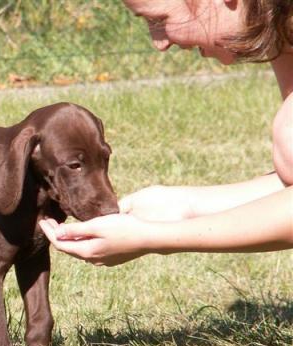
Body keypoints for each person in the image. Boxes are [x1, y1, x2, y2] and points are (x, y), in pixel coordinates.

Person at [39, 0, 293, 266]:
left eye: (159, 20)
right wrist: (181, 205)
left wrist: (153, 236)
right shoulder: (281, 32)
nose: (160, 43)